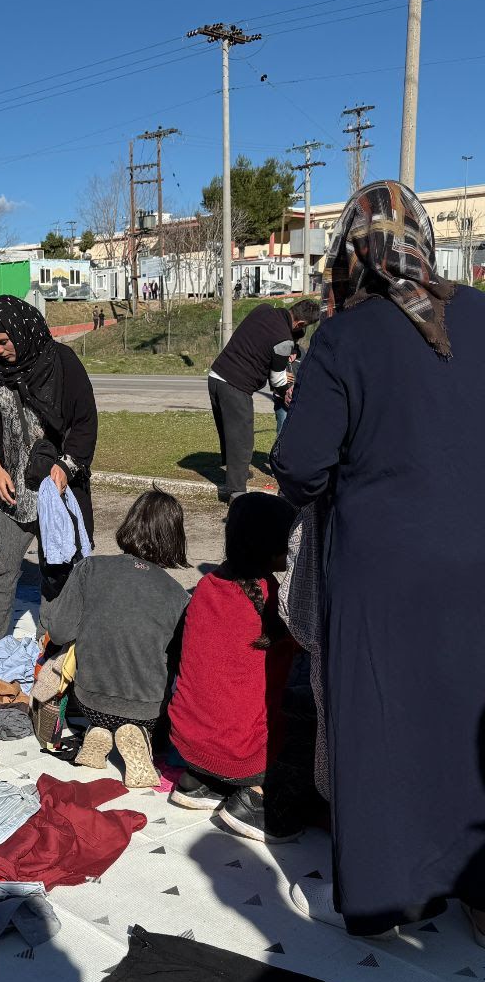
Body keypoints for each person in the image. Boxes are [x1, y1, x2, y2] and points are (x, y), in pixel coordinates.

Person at [272, 179, 485, 943]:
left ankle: (397, 893)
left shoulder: (347, 334)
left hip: (388, 571)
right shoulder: (481, 314)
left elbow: (300, 466)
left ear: (350, 253)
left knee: (388, 726)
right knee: (471, 718)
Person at [167, 492, 299, 841]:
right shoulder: (273, 600)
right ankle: (253, 800)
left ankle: (200, 782)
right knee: (304, 733)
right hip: (242, 754)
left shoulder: (207, 586)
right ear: (273, 548)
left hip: (186, 742)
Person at [0, 294, 98, 644]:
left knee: (56, 569)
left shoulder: (63, 363)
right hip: (11, 490)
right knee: (0, 570)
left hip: (57, 488)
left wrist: (65, 467)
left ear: (21, 330)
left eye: (2, 341)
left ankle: (50, 643)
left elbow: (85, 423)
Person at [43, 489, 190, 784]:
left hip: (89, 698)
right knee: (156, 711)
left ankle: (99, 731)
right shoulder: (178, 595)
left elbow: (59, 631)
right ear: (175, 538)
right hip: (147, 707)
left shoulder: (89, 568)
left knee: (94, 698)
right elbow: (178, 664)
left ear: (130, 524)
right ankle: (139, 736)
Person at [207, 298, 319, 503]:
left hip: (215, 376)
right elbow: (277, 379)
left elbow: (257, 340)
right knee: (242, 438)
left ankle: (235, 471)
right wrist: (287, 384)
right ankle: (236, 491)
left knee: (227, 430)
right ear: (301, 325)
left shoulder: (264, 309)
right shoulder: (284, 341)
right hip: (236, 385)